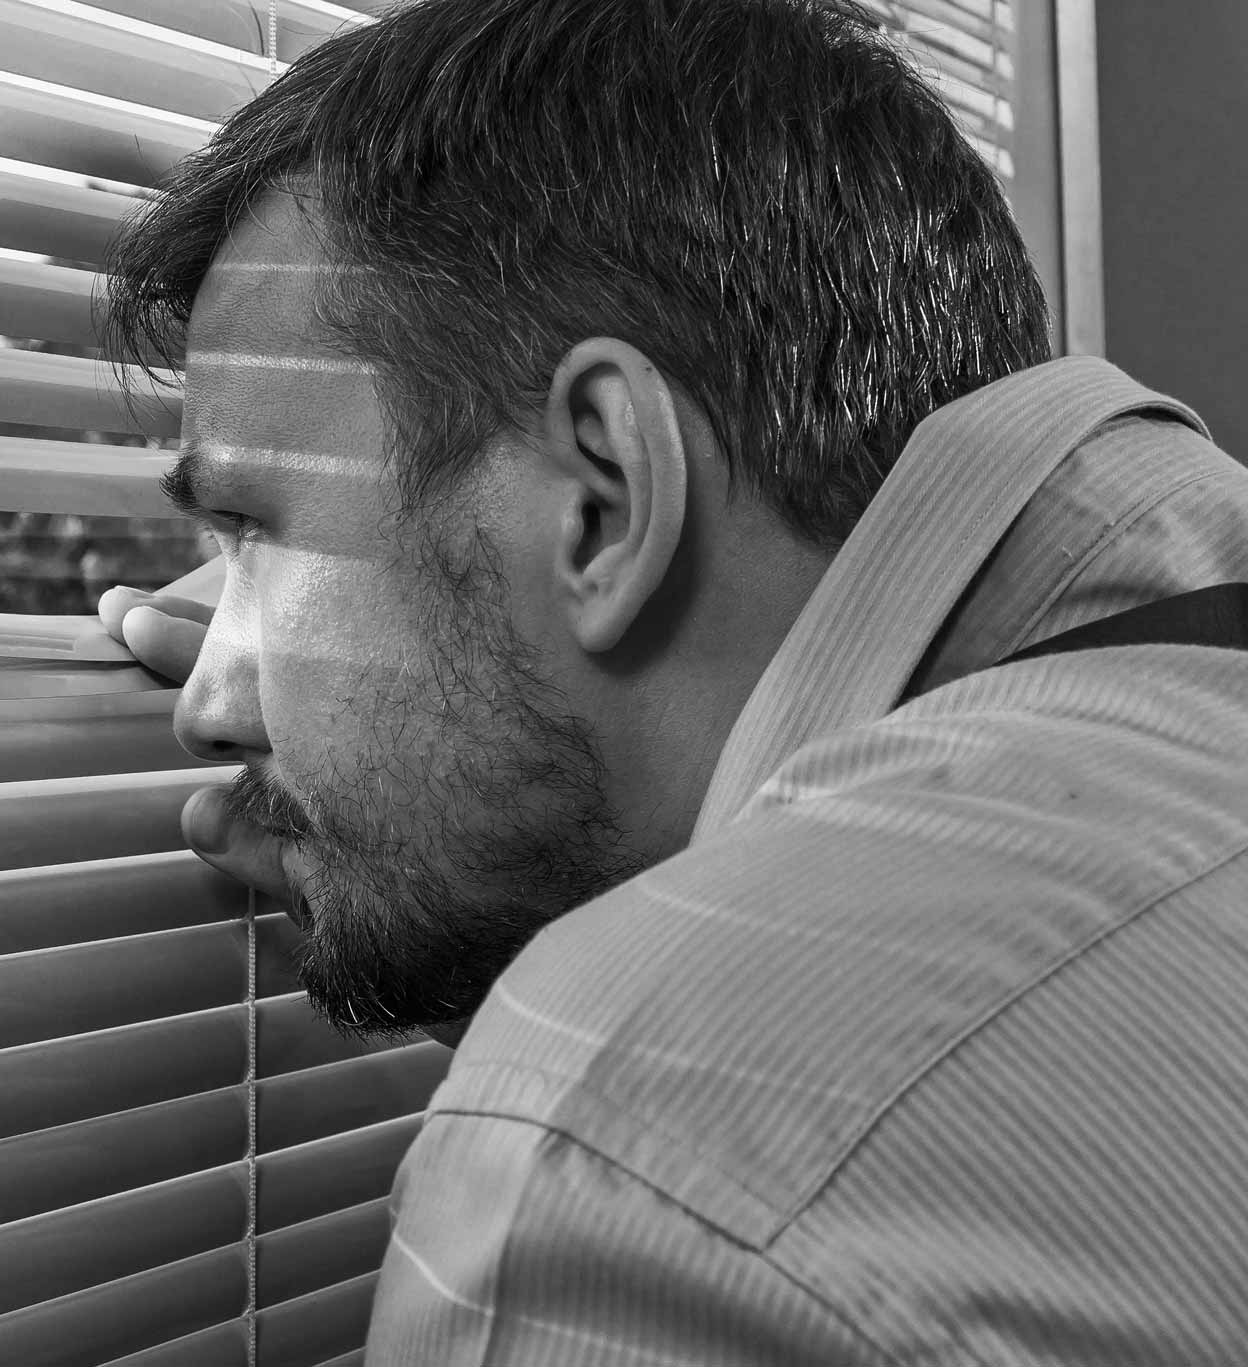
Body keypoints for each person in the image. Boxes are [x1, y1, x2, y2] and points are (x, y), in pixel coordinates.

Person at [95, 0, 1248, 1361]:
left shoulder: (657, 1170)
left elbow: (708, 1146)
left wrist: (587, 1085)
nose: (208, 700)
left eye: (254, 533)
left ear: (603, 498)